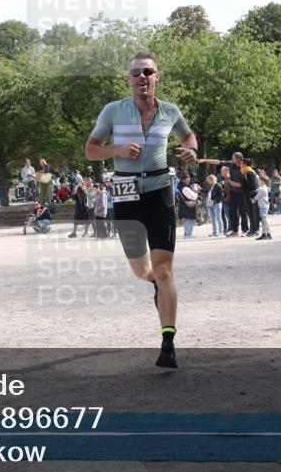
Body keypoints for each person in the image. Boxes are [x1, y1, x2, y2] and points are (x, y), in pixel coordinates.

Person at [84, 51, 197, 369]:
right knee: (141, 271)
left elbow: (188, 136)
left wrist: (190, 149)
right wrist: (116, 149)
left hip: (160, 191)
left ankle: (168, 343)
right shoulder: (114, 111)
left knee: (165, 269)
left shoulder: (170, 111)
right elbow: (90, 149)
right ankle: (155, 284)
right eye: (136, 73)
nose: (142, 77)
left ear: (157, 76)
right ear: (129, 79)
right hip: (126, 193)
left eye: (147, 71)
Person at [177, 175, 199, 239]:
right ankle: (188, 234)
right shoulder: (184, 188)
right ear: (183, 180)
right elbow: (193, 196)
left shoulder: (181, 187)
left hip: (184, 206)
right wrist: (196, 192)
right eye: (187, 180)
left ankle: (187, 234)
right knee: (189, 220)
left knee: (188, 220)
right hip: (187, 206)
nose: (188, 181)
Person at [252, 175, 272, 240]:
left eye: (259, 180)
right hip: (262, 206)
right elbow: (256, 191)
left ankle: (268, 233)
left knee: (264, 220)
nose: (258, 181)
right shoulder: (261, 188)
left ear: (263, 181)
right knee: (263, 221)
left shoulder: (263, 189)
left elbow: (256, 197)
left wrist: (253, 199)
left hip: (264, 206)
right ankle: (264, 234)